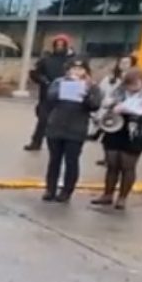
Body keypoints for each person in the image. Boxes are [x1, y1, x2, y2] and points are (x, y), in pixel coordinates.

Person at [42, 56, 102, 202]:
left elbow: (95, 105)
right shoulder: (59, 82)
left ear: (86, 71)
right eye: (73, 69)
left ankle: (66, 191)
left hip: (76, 128)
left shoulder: (92, 86)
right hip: (56, 126)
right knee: (54, 160)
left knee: (71, 161)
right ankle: (50, 189)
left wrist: (86, 93)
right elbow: (50, 98)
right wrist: (66, 88)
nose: (76, 71)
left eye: (80, 69)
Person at [91, 68, 142, 210]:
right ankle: (107, 194)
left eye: (135, 85)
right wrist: (112, 104)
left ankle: (122, 198)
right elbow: (108, 101)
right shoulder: (121, 89)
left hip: (137, 131)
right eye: (129, 85)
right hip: (115, 126)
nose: (131, 88)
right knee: (112, 163)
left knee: (127, 165)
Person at [25, 34, 73, 151]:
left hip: (65, 95)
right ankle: (36, 142)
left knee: (62, 121)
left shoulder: (71, 61)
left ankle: (60, 144)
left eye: (62, 45)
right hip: (47, 94)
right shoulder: (46, 59)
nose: (59, 47)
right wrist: (43, 80)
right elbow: (35, 73)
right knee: (43, 119)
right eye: (57, 45)